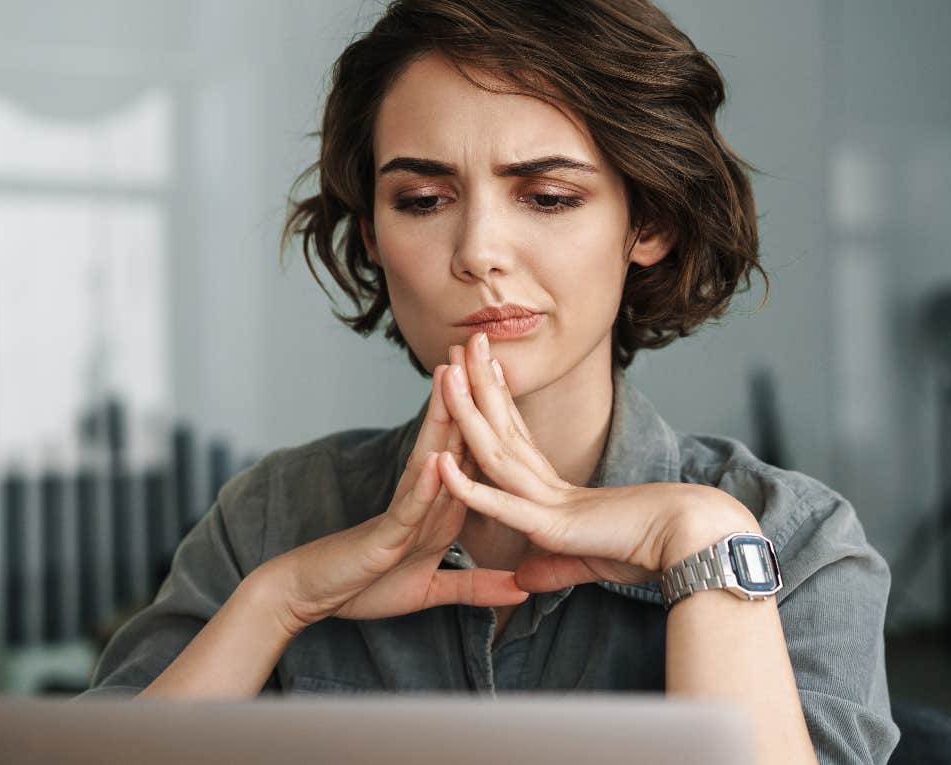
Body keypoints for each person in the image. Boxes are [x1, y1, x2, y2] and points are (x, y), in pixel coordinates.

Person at [83, 1, 900, 762]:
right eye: (424, 198)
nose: (478, 249)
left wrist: (700, 540)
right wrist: (279, 602)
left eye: (546, 196)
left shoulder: (796, 543)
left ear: (648, 222)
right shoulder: (272, 519)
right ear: (372, 234)